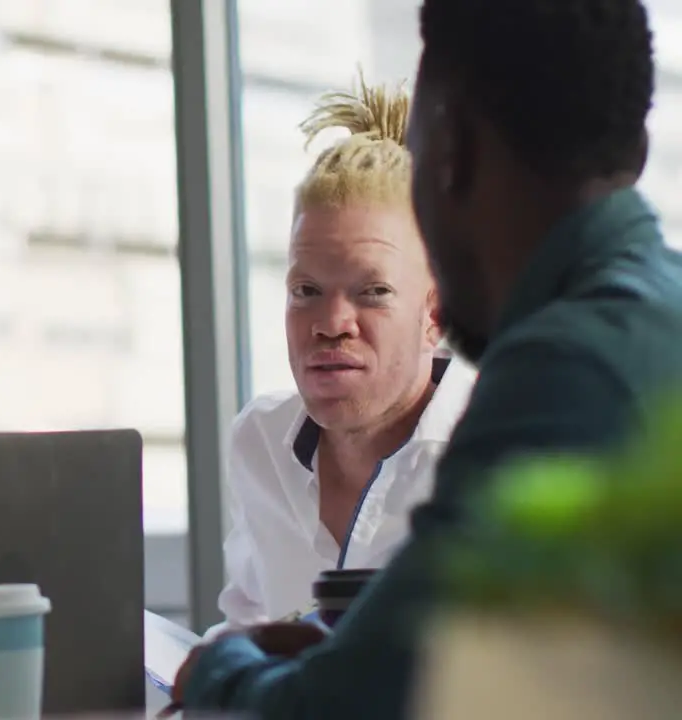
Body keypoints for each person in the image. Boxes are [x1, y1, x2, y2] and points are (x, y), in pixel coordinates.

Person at [175, 0, 682, 717]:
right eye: (305, 290)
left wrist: (220, 669)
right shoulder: (662, 312)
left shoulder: (565, 370)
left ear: (452, 154)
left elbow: (347, 709)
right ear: (633, 150)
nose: (333, 323)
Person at [215, 76, 473, 630]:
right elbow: (249, 629)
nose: (331, 325)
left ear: (436, 314)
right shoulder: (260, 444)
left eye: (372, 292)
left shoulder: (498, 450)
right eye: (305, 291)